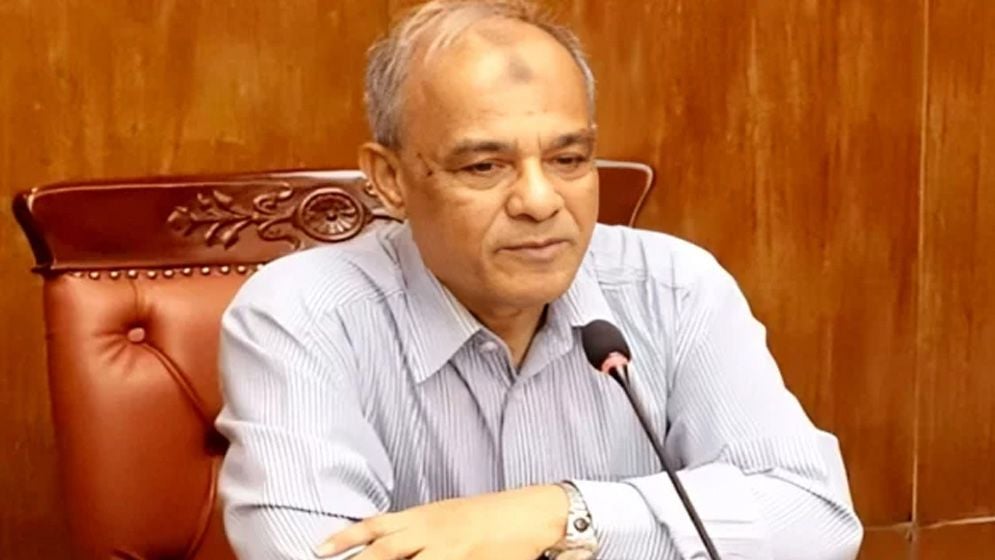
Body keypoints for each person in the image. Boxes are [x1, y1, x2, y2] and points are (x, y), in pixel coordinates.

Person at [215, 1, 863, 558]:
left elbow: (816, 518)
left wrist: (562, 513)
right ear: (390, 179)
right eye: (484, 167)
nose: (539, 200)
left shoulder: (674, 289)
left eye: (568, 159)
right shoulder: (305, 314)